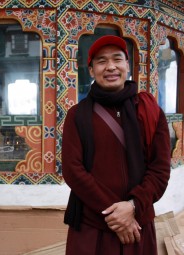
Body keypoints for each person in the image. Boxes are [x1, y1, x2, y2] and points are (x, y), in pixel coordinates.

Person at [62, 35, 171, 255]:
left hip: (137, 224)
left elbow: (159, 170)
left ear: (127, 65)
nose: (110, 67)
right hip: (93, 225)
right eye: (101, 61)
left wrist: (132, 207)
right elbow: (73, 171)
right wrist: (117, 215)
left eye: (117, 59)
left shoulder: (149, 111)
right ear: (91, 70)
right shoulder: (78, 115)